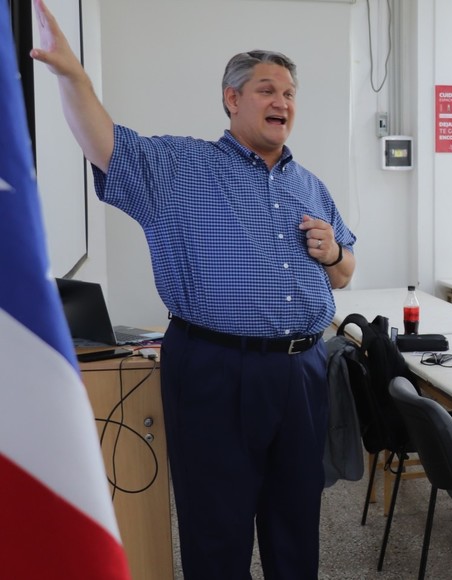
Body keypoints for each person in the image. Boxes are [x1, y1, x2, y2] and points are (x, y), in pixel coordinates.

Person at [31, 1, 356, 577]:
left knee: (297, 523)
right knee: (216, 527)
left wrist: (333, 252)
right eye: (266, 90)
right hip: (214, 368)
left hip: (302, 370)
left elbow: (345, 271)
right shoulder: (180, 166)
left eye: (289, 93)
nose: (282, 102)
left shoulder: (312, 185)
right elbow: (102, 142)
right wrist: (72, 77)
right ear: (232, 99)